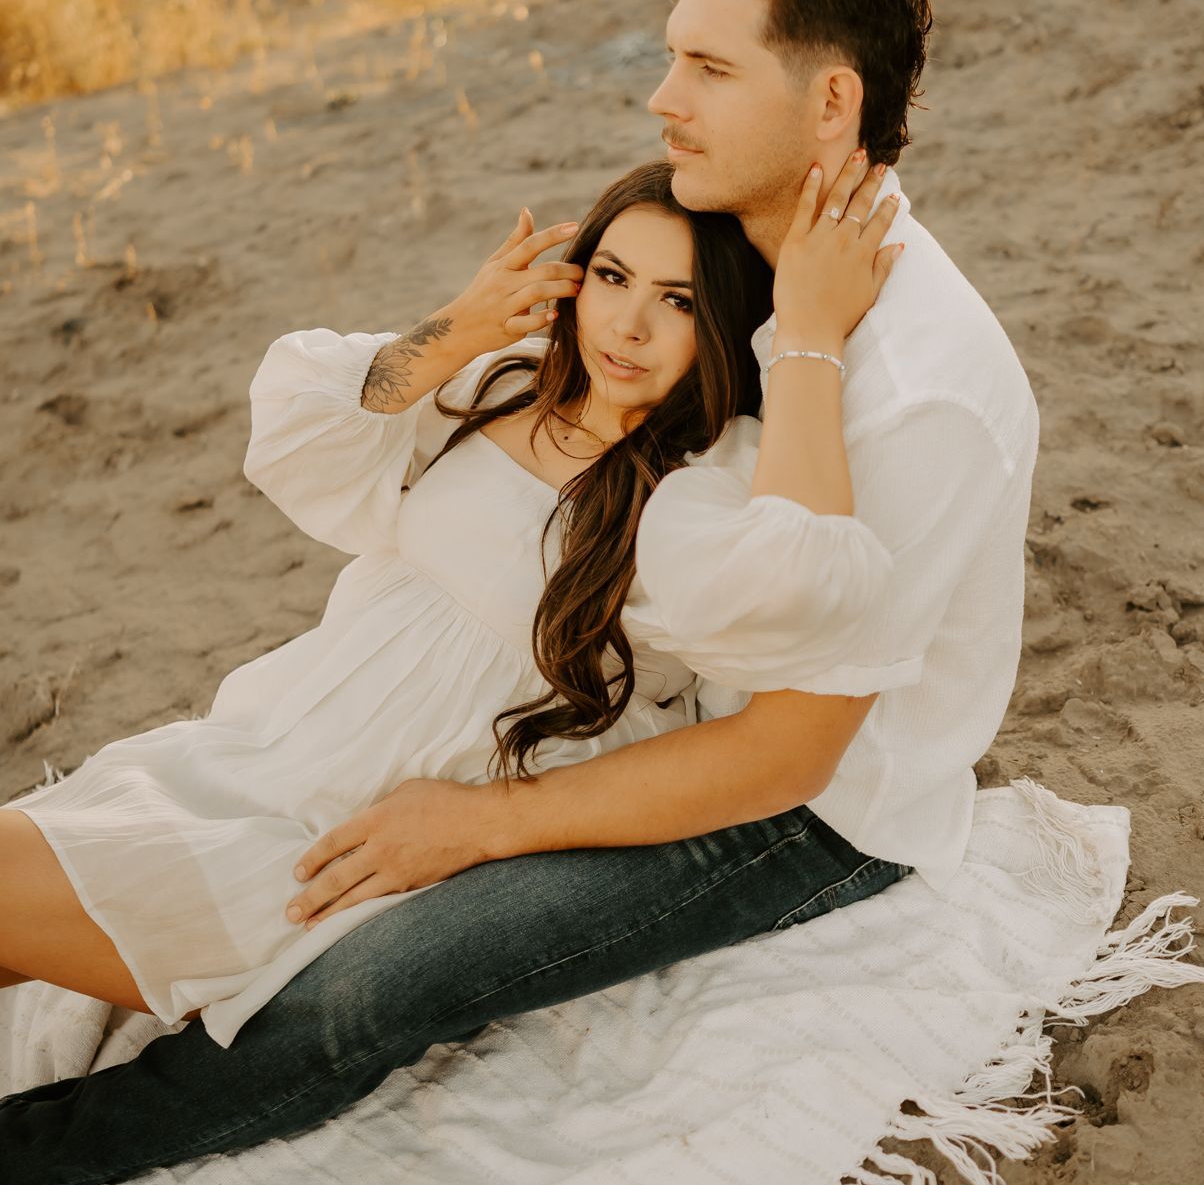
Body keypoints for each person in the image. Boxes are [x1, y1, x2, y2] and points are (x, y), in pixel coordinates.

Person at [0, 0, 1039, 1185]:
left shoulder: (914, 387)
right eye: (671, 56)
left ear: (829, 104)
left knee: (373, 976)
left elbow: (789, 754)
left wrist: (483, 827)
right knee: (277, 861)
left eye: (708, 69)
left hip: (812, 805)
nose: (661, 99)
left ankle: (32, 1159)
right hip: (640, 700)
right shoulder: (724, 246)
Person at [0, 158, 900, 1043]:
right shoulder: (505, 382)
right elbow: (310, 431)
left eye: (678, 301)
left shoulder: (705, 483)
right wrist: (462, 327)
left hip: (342, 838)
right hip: (255, 755)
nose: (627, 325)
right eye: (612, 278)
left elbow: (801, 573)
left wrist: (807, 338)